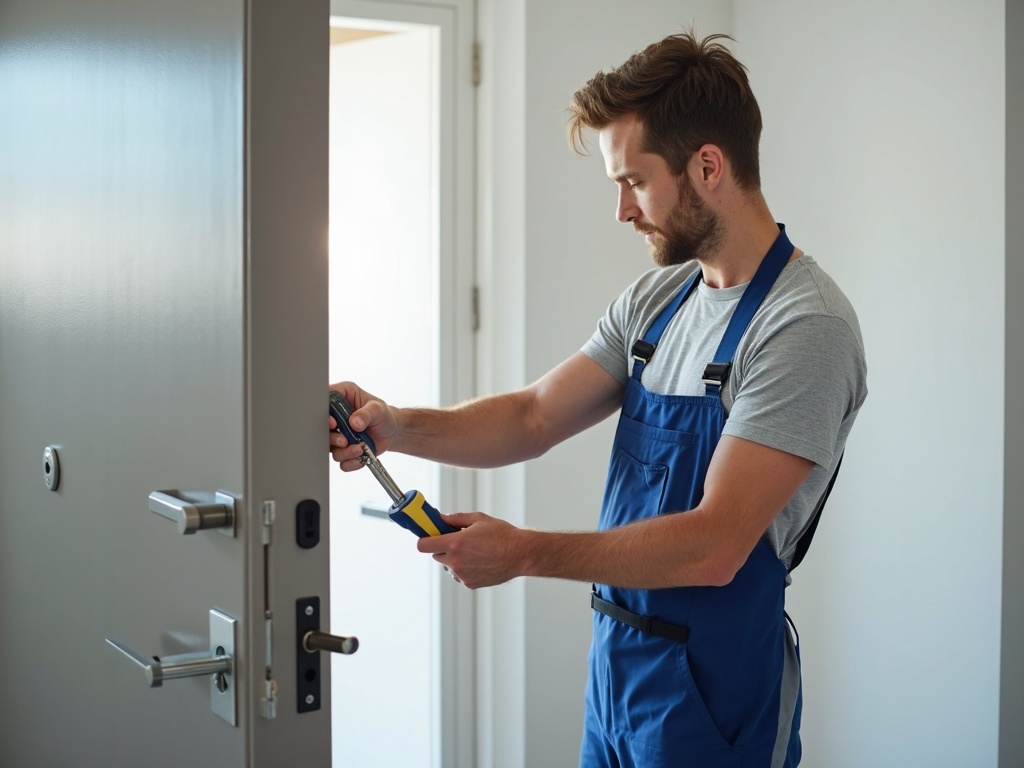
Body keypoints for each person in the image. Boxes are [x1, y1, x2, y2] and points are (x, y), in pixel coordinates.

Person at [330, 30, 867, 768]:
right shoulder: (659, 299)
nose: (622, 210)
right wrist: (392, 425)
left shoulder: (803, 326)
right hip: (618, 674)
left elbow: (714, 546)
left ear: (708, 165)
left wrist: (521, 552)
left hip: (717, 702)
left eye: (635, 182)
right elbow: (532, 416)